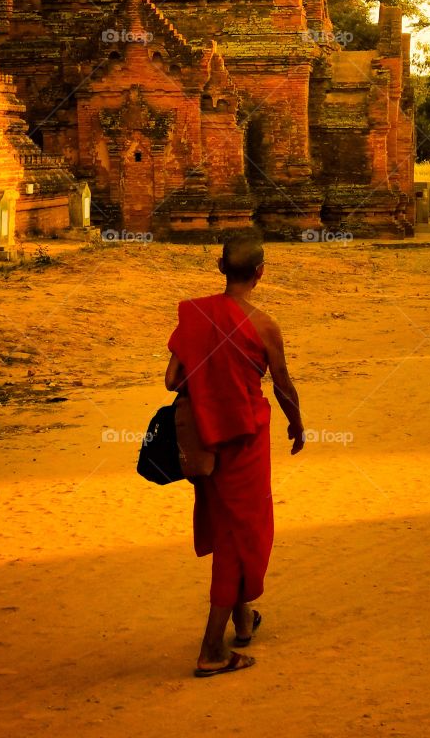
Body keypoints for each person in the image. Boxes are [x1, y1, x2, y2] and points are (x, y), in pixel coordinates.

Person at [164, 233, 305, 677]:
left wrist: (208, 389)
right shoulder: (264, 326)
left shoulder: (195, 314)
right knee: (241, 537)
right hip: (245, 439)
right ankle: (211, 651)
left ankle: (243, 622)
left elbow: (171, 379)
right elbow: (282, 384)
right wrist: (297, 424)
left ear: (220, 268)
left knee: (230, 527)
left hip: (206, 440)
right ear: (261, 272)